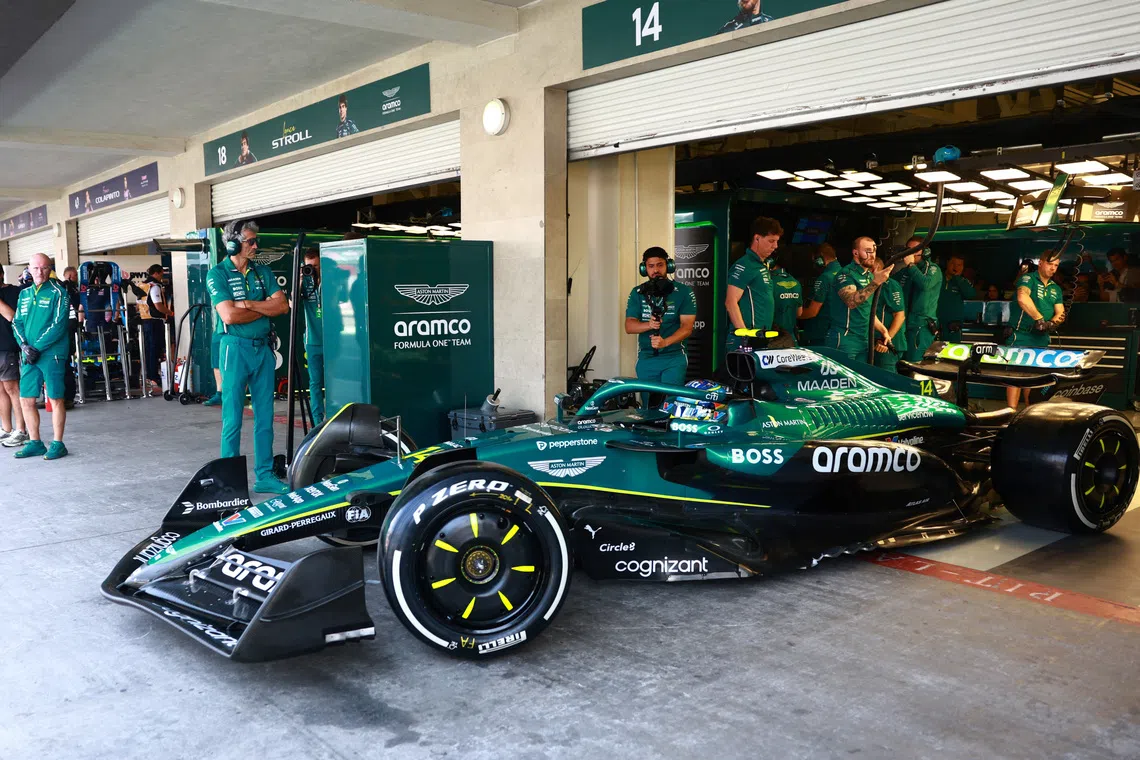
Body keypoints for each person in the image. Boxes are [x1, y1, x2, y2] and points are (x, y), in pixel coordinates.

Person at [207, 220, 290, 494]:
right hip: (234, 348)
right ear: (233, 244)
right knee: (232, 417)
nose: (255, 246)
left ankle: (264, 475)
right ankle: (229, 480)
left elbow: (283, 306)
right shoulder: (218, 274)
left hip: (262, 349)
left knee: (265, 415)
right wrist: (265, 307)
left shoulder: (261, 271)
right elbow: (229, 315)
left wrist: (250, 305)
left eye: (256, 241)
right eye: (250, 241)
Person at [11, 253, 70, 460]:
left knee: (55, 398)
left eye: (44, 268)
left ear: (50, 269)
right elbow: (16, 322)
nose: (40, 272)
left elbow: (59, 325)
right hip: (29, 355)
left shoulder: (59, 292)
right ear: (29, 269)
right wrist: (24, 346)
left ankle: (58, 444)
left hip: (52, 354)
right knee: (26, 399)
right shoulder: (24, 294)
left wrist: (36, 348)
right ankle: (35, 442)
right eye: (36, 268)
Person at [626, 247, 697, 392]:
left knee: (670, 401)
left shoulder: (684, 292)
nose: (656, 270)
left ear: (669, 266)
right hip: (646, 358)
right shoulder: (637, 293)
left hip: (674, 358)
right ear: (644, 269)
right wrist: (649, 325)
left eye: (660, 265)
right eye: (651, 266)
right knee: (648, 403)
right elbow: (629, 326)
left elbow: (687, 327)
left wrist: (665, 342)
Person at [1005, 250, 1066, 410]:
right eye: (1050, 264)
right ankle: (1011, 413)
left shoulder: (1056, 288)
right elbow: (1022, 298)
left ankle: (1029, 414)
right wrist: (1039, 319)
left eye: (1056, 265)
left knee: (1035, 379)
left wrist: (1051, 323)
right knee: (1016, 376)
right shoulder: (1028, 279)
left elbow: (1061, 312)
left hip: (1041, 337)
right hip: (1021, 335)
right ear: (1041, 263)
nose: (1053, 268)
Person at [824, 237, 894, 364]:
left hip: (864, 339)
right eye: (867, 251)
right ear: (855, 253)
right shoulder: (846, 274)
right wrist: (876, 282)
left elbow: (868, 311)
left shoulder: (870, 276)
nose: (872, 255)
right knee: (844, 376)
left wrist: (884, 331)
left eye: (874, 250)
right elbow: (851, 302)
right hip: (845, 338)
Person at [725, 217, 780, 351]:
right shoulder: (745, 265)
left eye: (777, 241)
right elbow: (730, 302)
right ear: (757, 238)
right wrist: (745, 336)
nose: (775, 246)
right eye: (771, 241)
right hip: (746, 341)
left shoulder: (762, 265)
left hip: (760, 338)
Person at [896, 237, 943, 361]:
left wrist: (911, 265)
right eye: (909, 250)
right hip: (903, 324)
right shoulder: (905, 271)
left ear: (925, 251)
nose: (911, 253)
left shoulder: (933, 269)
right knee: (901, 362)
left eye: (915, 249)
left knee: (915, 362)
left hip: (921, 326)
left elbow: (925, 285)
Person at [0, 276, 28, 448]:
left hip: (7, 347)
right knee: (1, 390)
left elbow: (11, 316)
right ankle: (6, 428)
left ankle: (21, 430)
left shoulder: (13, 292)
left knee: (12, 388)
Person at [301, 248, 326, 425]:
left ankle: (335, 416)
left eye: (316, 266)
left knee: (334, 381)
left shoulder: (331, 279)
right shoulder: (305, 282)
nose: (312, 269)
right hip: (312, 340)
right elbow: (291, 304)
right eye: (309, 266)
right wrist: (300, 280)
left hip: (333, 340)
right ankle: (317, 422)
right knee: (315, 382)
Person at [873, 255, 910, 373]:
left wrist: (886, 341)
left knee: (886, 378)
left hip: (888, 344)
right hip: (874, 342)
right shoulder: (871, 286)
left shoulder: (890, 285)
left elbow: (900, 316)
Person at [140, 264, 173, 395]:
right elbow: (158, 306)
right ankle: (154, 377)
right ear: (157, 273)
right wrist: (170, 313)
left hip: (145, 320)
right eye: (161, 274)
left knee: (149, 350)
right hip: (155, 321)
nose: (162, 277)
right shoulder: (154, 287)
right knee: (155, 349)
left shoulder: (143, 286)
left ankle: (149, 376)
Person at [799, 243, 840, 346]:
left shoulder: (825, 278)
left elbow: (813, 312)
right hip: (839, 333)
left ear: (820, 258)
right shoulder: (846, 273)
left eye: (815, 260)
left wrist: (794, 316)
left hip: (820, 334)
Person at [938, 254, 977, 343]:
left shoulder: (963, 281)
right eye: (953, 263)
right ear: (947, 263)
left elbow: (971, 295)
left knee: (953, 349)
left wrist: (957, 278)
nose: (956, 267)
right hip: (937, 324)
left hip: (953, 326)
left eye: (959, 265)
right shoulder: (937, 278)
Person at [769, 255, 802, 345]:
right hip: (792, 338)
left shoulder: (769, 282)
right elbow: (799, 313)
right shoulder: (796, 282)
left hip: (774, 339)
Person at [61, 266, 81, 407]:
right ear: (68, 276)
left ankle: (68, 397)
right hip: (63, 329)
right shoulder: (63, 289)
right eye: (74, 276)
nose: (76, 278)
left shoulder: (74, 290)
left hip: (70, 329)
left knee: (66, 363)